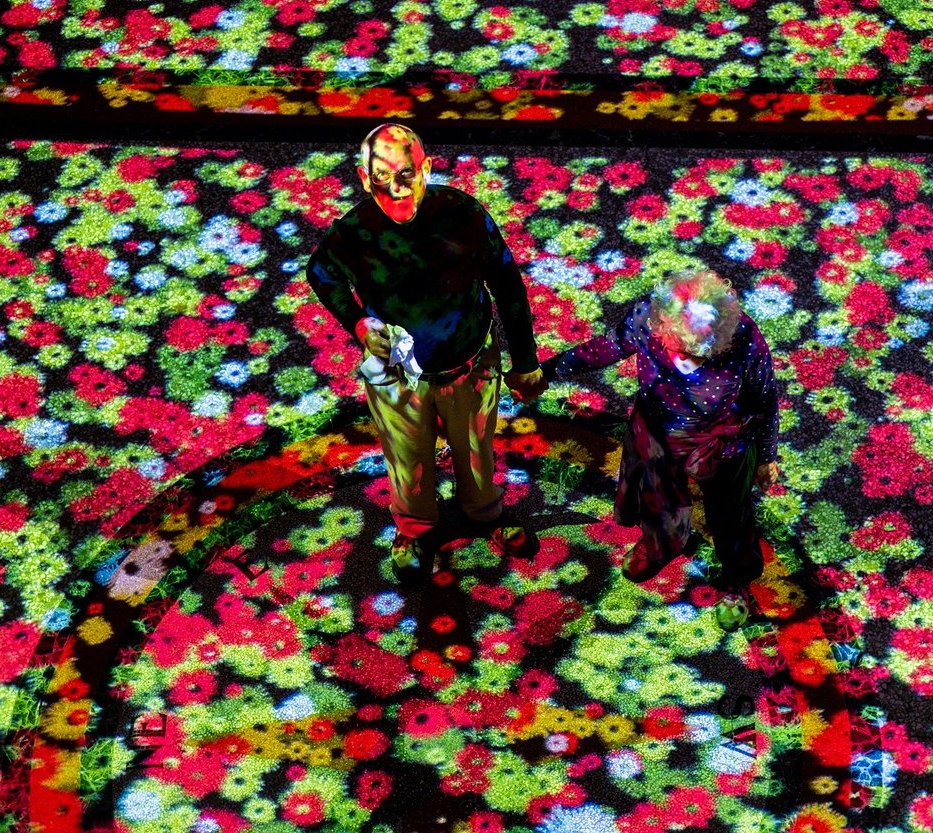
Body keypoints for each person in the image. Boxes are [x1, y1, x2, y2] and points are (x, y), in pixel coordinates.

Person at [305, 123, 547, 582]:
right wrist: (356, 323)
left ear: (427, 168)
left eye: (407, 174)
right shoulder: (352, 233)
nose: (395, 189)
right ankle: (415, 528)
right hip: (397, 376)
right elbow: (322, 274)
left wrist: (526, 360)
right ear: (363, 177)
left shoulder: (462, 213)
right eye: (381, 178)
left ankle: (483, 513)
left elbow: (507, 283)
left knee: (477, 450)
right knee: (406, 457)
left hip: (471, 363)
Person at [541, 269, 779, 615]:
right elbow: (606, 347)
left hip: (724, 440)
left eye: (700, 354)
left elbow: (764, 399)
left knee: (731, 516)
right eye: (681, 349)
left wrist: (766, 455)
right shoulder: (646, 318)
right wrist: (549, 370)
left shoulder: (745, 339)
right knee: (657, 501)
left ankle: (735, 579)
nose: (687, 363)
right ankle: (662, 545)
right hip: (656, 430)